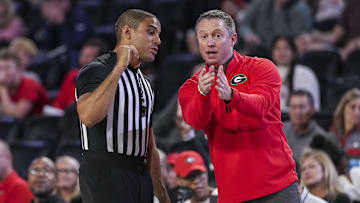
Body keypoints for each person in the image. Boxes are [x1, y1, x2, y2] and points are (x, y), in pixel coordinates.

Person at [178, 9, 299, 202]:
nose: (210, 43)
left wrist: (232, 96)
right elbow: (195, 122)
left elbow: (262, 105)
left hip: (277, 186)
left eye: (217, 35)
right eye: (203, 36)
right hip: (233, 193)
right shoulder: (192, 87)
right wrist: (202, 94)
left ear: (233, 38)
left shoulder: (261, 68)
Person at [75, 9, 170, 203]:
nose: (158, 41)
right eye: (151, 32)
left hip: (139, 175)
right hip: (104, 174)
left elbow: (149, 144)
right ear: (127, 32)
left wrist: (161, 192)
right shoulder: (97, 69)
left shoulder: (146, 82)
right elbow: (88, 116)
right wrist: (119, 67)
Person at [51, 38, 107, 111]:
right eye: (83, 55)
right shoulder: (72, 75)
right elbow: (58, 103)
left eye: (89, 56)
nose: (84, 60)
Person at [270, 36, 321, 111]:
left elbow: (313, 105)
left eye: (286, 48)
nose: (282, 52)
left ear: (294, 52)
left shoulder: (305, 73)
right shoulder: (265, 74)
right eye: (278, 48)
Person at [0, 48, 48, 119]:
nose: (3, 73)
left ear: (18, 69)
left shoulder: (29, 84)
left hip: (36, 126)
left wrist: (3, 88)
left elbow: (18, 115)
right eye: (0, 68)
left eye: (7, 68)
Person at [284, 90, 328, 161]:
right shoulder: (280, 130)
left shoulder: (322, 138)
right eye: (293, 107)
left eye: (301, 107)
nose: (297, 111)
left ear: (312, 110)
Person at [329, 88, 360, 158]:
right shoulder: (332, 136)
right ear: (343, 108)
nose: (357, 112)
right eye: (352, 107)